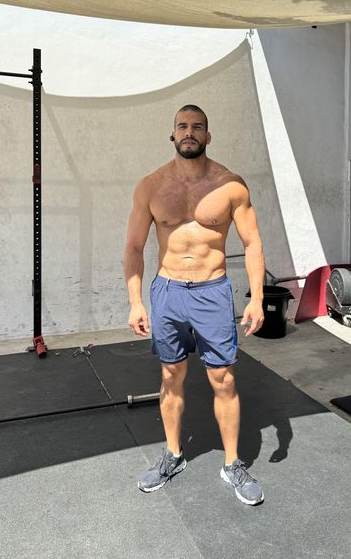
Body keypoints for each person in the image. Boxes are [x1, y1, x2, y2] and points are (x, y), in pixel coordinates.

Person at [123, 104, 266, 506]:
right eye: (183, 126)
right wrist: (135, 302)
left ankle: (232, 463)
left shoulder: (230, 186)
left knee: (224, 379)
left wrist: (257, 297)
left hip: (211, 291)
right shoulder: (150, 186)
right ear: (173, 134)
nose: (190, 132)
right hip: (168, 291)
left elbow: (252, 243)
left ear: (208, 135)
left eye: (197, 126)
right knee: (171, 375)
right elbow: (133, 247)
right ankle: (173, 454)